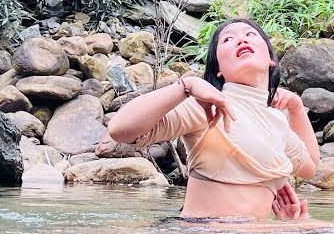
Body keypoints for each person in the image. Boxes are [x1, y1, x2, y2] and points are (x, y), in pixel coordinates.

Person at [107, 18, 319, 221]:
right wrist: (186, 86)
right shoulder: (208, 107)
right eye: (228, 39)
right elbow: (120, 130)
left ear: (270, 58)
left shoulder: (277, 122)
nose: (241, 40)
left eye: (250, 34)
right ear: (218, 69)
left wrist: (297, 108)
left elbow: (310, 168)